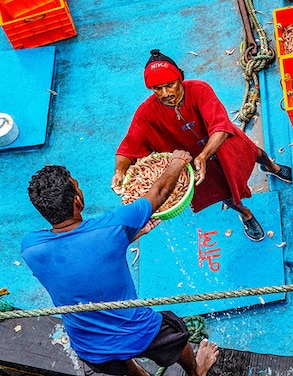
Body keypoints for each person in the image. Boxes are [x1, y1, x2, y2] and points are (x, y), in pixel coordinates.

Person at [21, 156, 220, 376]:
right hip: (138, 332)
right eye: (77, 187)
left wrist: (128, 237)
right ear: (77, 201)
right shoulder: (113, 226)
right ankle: (196, 372)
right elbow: (161, 192)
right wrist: (177, 161)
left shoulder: (30, 248)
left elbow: (78, 256)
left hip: (88, 346)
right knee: (177, 334)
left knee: (121, 365)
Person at [113, 49, 292, 242]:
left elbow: (221, 127)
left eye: (169, 85)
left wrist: (204, 155)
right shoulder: (146, 113)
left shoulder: (199, 90)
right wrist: (120, 171)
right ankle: (246, 214)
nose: (165, 94)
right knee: (225, 194)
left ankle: (271, 167)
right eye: (157, 89)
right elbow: (128, 148)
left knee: (255, 153)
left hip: (223, 144)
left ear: (179, 79)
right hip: (193, 166)